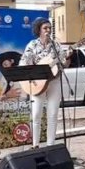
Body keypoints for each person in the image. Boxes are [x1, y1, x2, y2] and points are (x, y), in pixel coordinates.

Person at [20, 18, 68, 148]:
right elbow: (24, 62)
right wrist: (31, 75)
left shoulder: (56, 45)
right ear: (39, 30)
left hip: (54, 81)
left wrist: (67, 58)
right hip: (38, 84)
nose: (48, 30)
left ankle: (50, 146)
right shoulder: (32, 45)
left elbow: (64, 64)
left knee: (52, 114)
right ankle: (35, 145)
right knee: (36, 114)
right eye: (45, 28)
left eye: (49, 28)